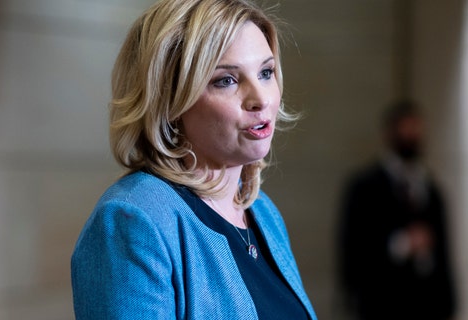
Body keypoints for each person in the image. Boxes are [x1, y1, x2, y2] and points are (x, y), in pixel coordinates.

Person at [70, 0, 317, 319]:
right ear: (170, 99)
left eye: (266, 72)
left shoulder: (263, 212)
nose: (261, 99)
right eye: (226, 80)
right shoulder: (134, 221)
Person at [337, 100, 457, 320]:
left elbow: (444, 253)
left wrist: (449, 304)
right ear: (390, 133)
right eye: (406, 129)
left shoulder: (432, 189)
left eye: (416, 129)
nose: (412, 135)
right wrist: (401, 244)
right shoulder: (364, 188)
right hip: (381, 304)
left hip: (427, 305)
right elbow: (353, 248)